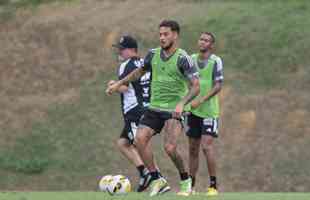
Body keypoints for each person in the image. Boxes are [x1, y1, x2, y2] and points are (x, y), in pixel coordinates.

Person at [106, 20, 200, 196]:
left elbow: (196, 86)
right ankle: (157, 179)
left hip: (174, 110)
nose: (162, 38)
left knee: (170, 148)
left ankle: (186, 180)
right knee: (139, 139)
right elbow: (137, 73)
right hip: (154, 108)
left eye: (166, 34)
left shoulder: (183, 58)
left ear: (175, 35)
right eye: (160, 34)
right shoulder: (152, 55)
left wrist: (182, 103)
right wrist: (118, 84)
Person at [107, 35, 153, 192]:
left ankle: (158, 180)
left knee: (140, 145)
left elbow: (125, 87)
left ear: (132, 49)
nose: (119, 52)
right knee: (123, 143)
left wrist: (113, 86)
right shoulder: (143, 63)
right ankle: (144, 172)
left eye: (122, 49)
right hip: (145, 108)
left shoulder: (125, 64)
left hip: (133, 109)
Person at [186, 32, 223, 196]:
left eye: (206, 40)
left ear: (211, 45)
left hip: (209, 112)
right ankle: (191, 186)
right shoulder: (191, 59)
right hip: (193, 111)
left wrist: (201, 100)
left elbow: (218, 86)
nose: (202, 42)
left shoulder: (216, 61)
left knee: (206, 147)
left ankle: (213, 185)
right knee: (192, 149)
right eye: (201, 39)